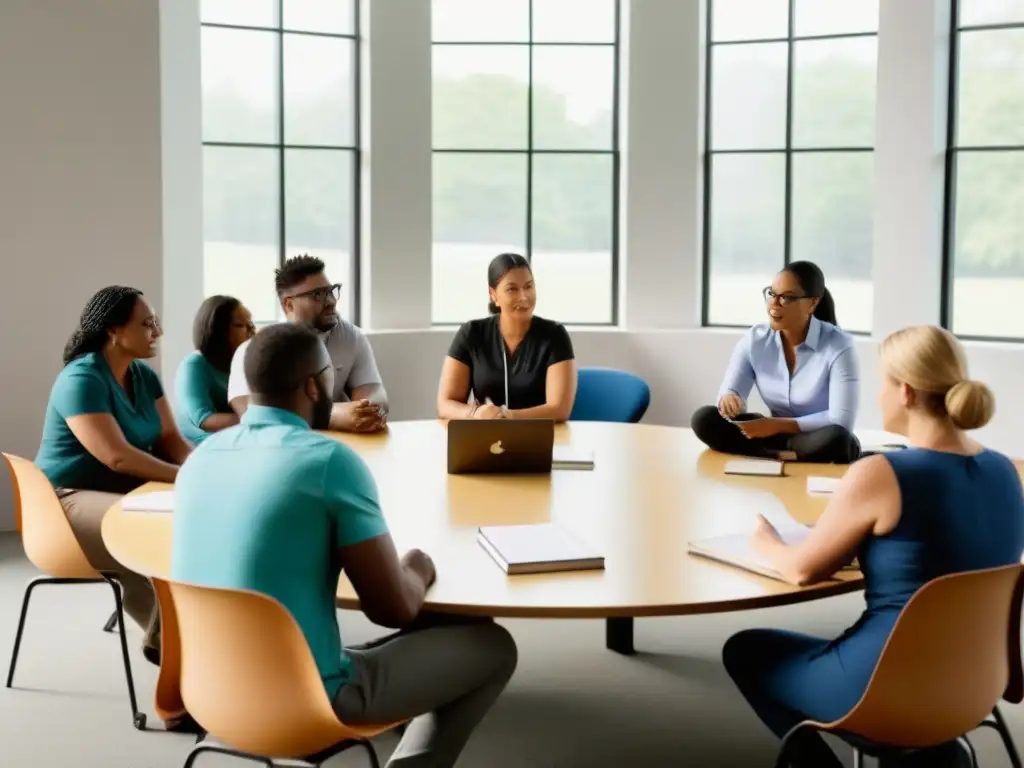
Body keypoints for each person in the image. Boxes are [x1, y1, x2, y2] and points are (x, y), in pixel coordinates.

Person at [172, 323, 518, 767]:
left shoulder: (200, 460)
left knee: (391, 643)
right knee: (492, 646)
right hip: (309, 699)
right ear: (315, 386)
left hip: (209, 690)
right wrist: (419, 566)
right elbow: (392, 608)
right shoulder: (328, 462)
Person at [722, 325, 1024, 768]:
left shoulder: (881, 473)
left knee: (746, 650)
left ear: (904, 391)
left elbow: (804, 569)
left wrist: (766, 542)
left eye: (881, 380)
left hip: (880, 684)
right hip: (974, 682)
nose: (876, 393)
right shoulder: (1006, 470)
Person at [34, 286, 194, 664]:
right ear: (114, 331)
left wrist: (201, 469)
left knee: (197, 521)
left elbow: (171, 438)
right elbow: (117, 457)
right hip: (64, 502)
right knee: (155, 532)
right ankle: (172, 645)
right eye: (148, 323)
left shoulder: (142, 375)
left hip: (127, 498)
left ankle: (192, 636)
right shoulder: (82, 380)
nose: (158, 330)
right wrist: (185, 480)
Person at [691, 261, 861, 463]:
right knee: (704, 418)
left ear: (812, 303)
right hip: (769, 434)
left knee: (838, 438)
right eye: (772, 293)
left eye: (786, 297)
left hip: (815, 435)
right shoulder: (755, 340)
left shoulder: (840, 346)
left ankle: (765, 454)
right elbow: (729, 391)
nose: (774, 302)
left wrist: (776, 425)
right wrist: (729, 400)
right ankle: (783, 455)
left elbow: (841, 420)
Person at [227, 254, 388, 433]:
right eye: (317, 295)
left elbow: (374, 394)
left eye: (331, 291)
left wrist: (366, 410)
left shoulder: (351, 336)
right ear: (288, 304)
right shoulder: (256, 348)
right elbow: (249, 415)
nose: (331, 301)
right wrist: (331, 416)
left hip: (341, 442)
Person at [437, 253, 577, 421]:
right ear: (493, 295)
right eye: (512, 289)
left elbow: (559, 409)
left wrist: (507, 417)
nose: (524, 296)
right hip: (485, 439)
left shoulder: (555, 335)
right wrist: (475, 413)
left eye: (528, 286)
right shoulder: (472, 333)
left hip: (539, 440)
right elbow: (445, 404)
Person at [174, 295, 255, 444]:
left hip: (238, 440)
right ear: (218, 329)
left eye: (252, 325)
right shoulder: (195, 364)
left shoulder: (241, 364)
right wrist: (261, 421)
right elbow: (204, 420)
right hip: (204, 448)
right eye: (241, 325)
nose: (252, 331)